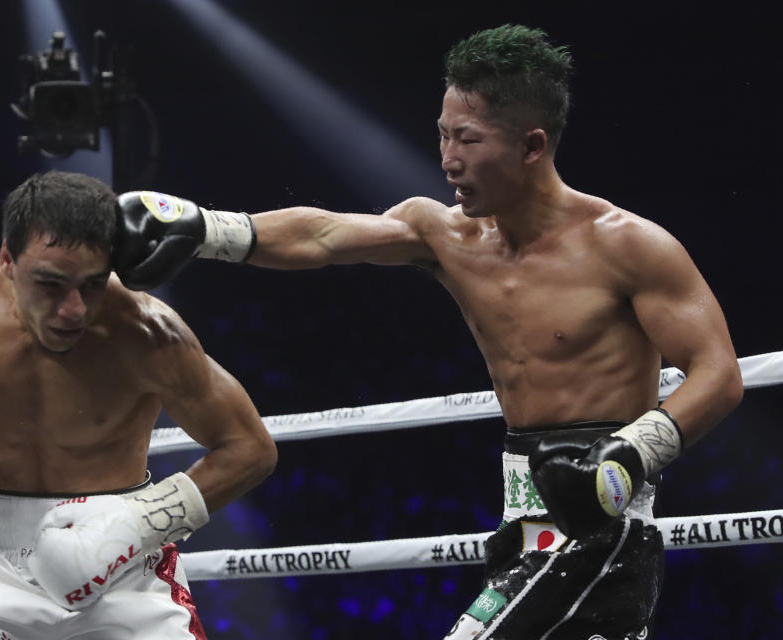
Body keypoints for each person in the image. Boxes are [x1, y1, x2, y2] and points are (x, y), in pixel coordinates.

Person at [110, 24, 743, 640]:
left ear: (531, 145)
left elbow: (718, 372)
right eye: (442, 136)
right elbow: (324, 235)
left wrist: (629, 457)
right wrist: (200, 226)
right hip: (522, 521)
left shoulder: (629, 247)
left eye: (466, 140)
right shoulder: (446, 235)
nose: (447, 160)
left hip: (599, 529)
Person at [0, 170, 278, 640]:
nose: (75, 309)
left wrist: (134, 526)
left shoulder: (148, 333)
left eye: (92, 284)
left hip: (127, 577)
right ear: (7, 260)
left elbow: (250, 448)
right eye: (50, 284)